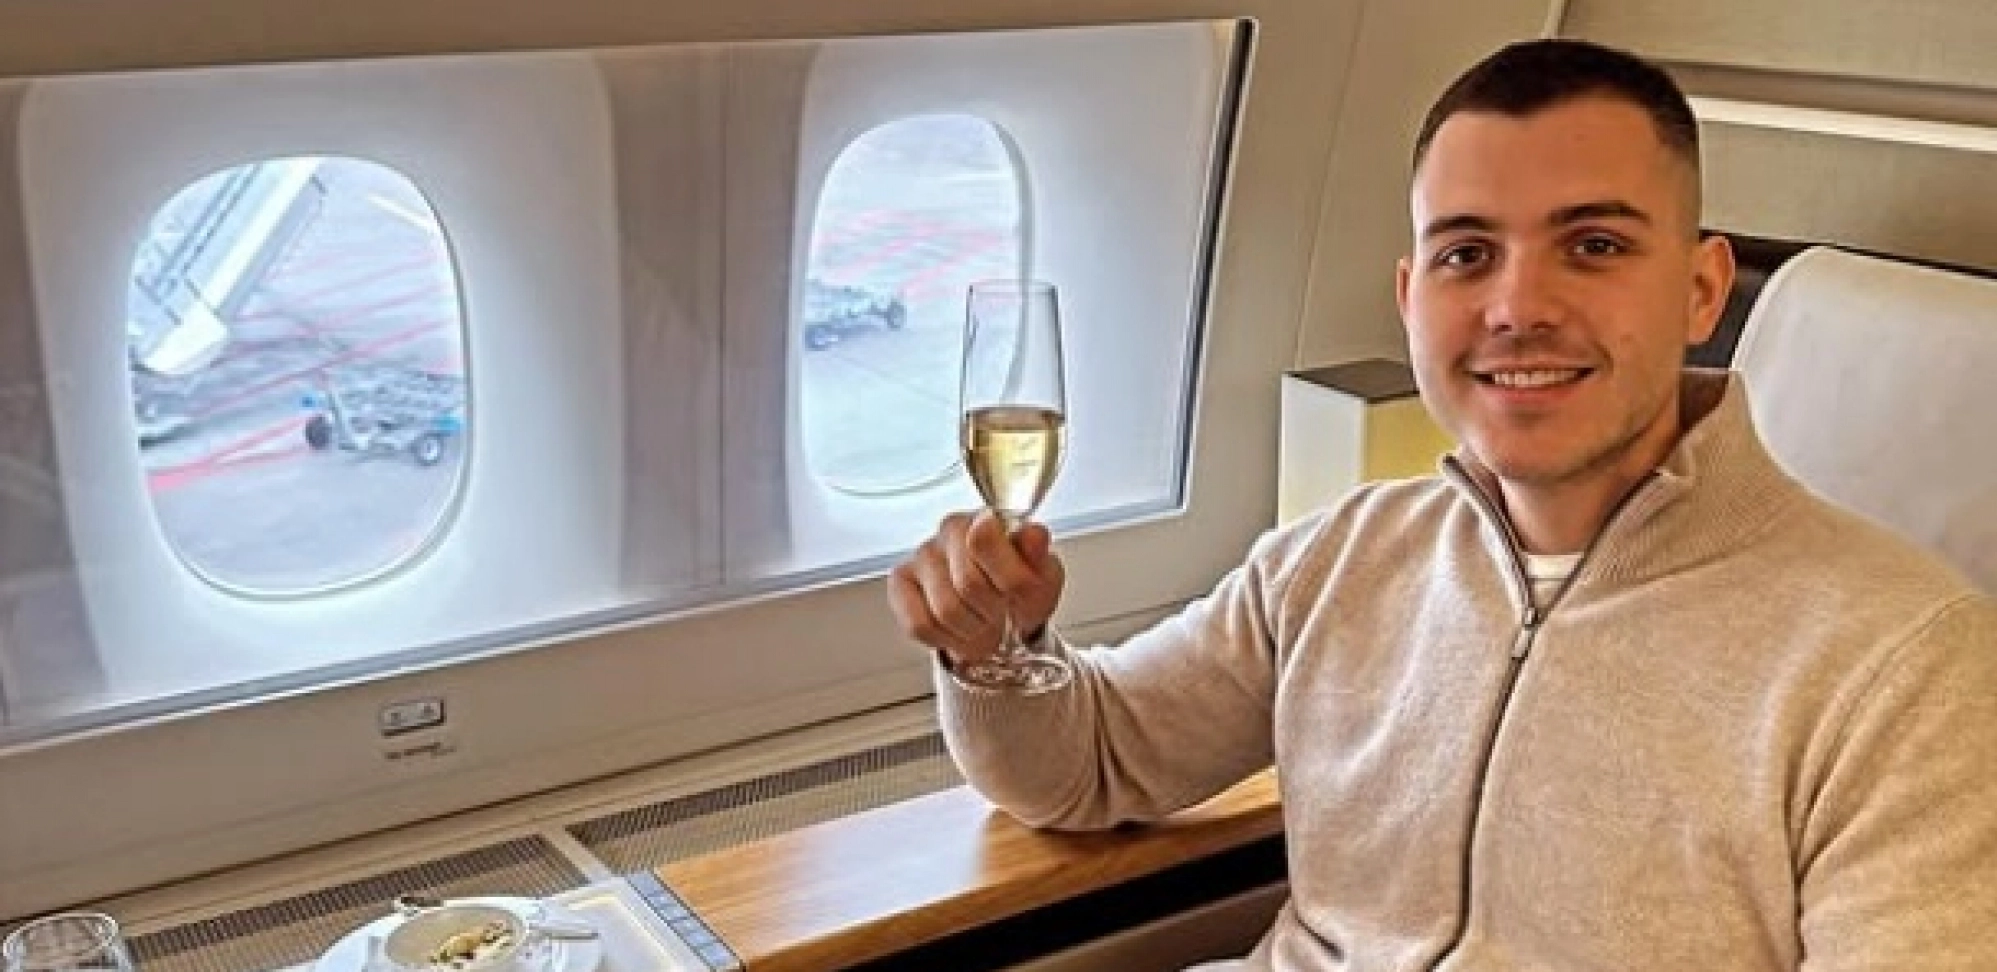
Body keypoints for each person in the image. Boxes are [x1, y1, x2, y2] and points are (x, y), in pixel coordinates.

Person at [887, 38, 1997, 971]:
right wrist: (993, 648)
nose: (1517, 307)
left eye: (1594, 246)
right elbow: (1088, 759)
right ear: (1411, 298)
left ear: (1701, 291)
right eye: (1467, 253)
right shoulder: (1342, 557)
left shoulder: (1901, 665)